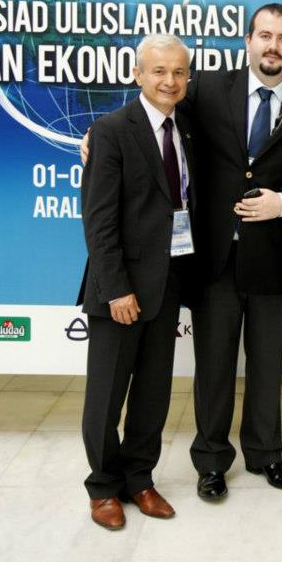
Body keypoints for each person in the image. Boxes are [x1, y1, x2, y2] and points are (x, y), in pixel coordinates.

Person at [186, 3, 282, 500]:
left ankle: (266, 454)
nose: (273, 46)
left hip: (276, 258)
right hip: (215, 259)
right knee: (213, 367)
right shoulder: (206, 88)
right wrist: (100, 135)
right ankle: (211, 461)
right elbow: (157, 122)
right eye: (265, 35)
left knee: (268, 365)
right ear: (248, 40)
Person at [79, 34, 196, 530]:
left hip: (167, 283)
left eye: (179, 72)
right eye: (159, 71)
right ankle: (104, 486)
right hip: (120, 290)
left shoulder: (186, 127)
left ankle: (139, 478)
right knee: (106, 397)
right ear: (137, 74)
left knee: (153, 393)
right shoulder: (110, 131)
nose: (169, 81)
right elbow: (98, 220)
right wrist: (116, 289)